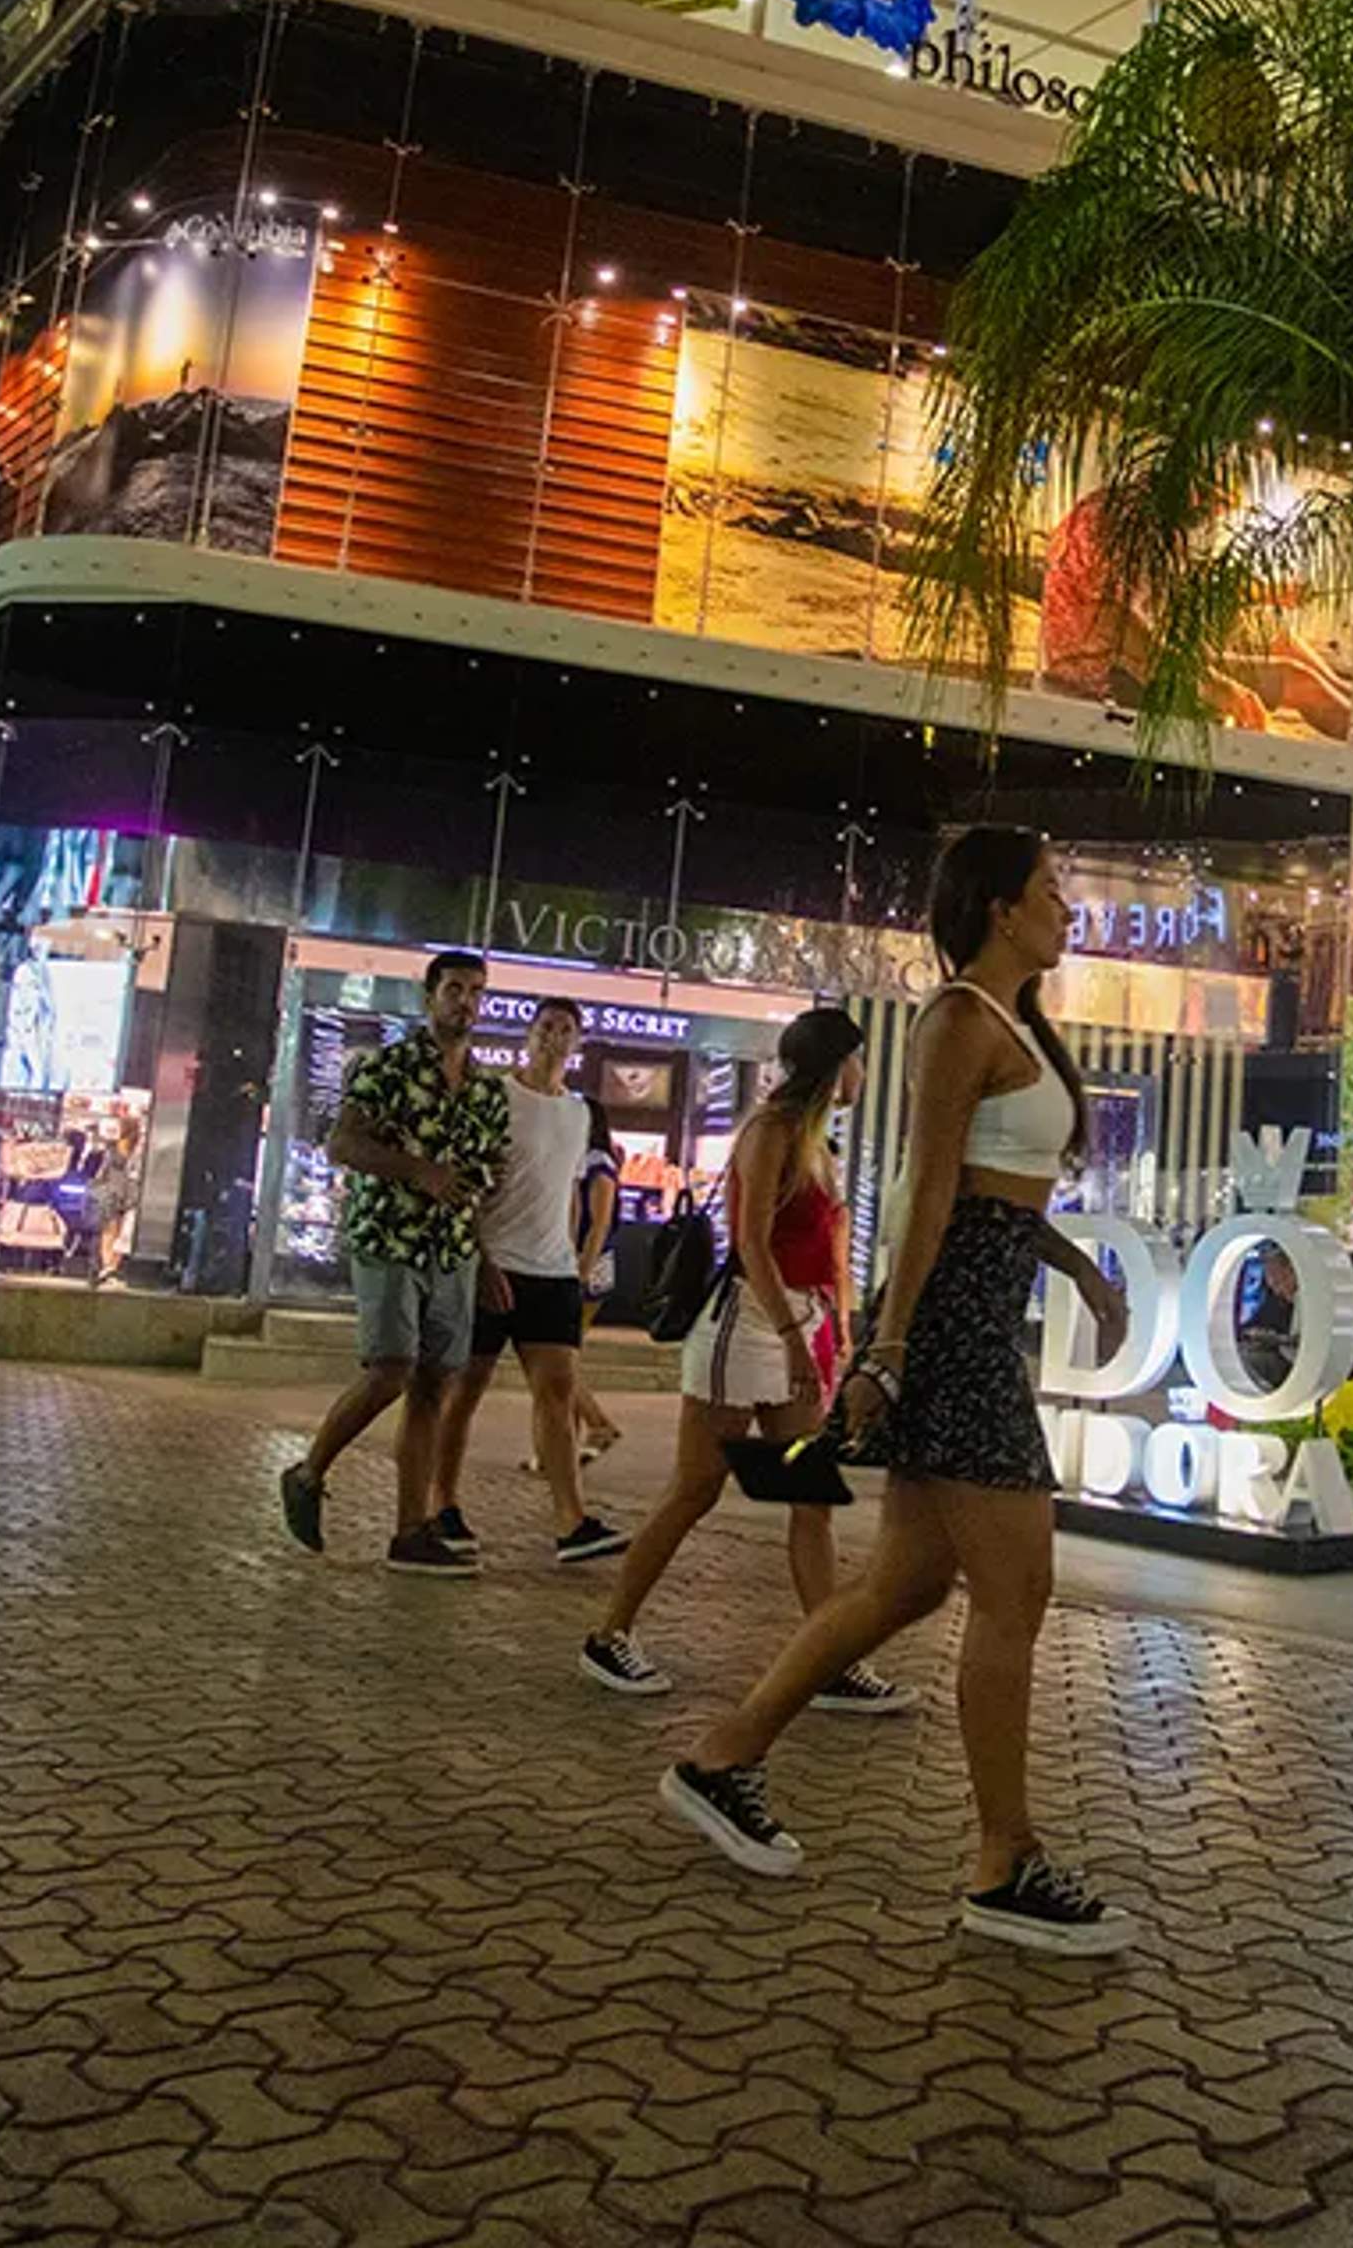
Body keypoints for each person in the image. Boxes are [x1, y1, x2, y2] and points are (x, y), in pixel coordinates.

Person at [660, 827, 1136, 1958]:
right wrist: (892, 1345)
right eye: (1052, 894)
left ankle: (723, 1758)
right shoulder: (958, 1021)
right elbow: (928, 1191)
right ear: (998, 907)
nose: (1069, 912)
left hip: (978, 1305)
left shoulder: (1016, 1023)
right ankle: (1003, 1857)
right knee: (1016, 1589)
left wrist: (1077, 1274)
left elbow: (1001, 1201)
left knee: (906, 1585)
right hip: (955, 1328)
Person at [583, 1005, 915, 1699]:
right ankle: (609, 1634)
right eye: (856, 1059)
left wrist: (833, 1329)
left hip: (796, 1324)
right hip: (747, 1329)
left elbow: (823, 1250)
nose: (862, 1074)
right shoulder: (771, 1131)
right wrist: (798, 1340)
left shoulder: (818, 1142)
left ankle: (826, 1660)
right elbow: (751, 1243)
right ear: (834, 1063)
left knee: (809, 1499)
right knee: (696, 1489)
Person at [278, 951, 511, 1575]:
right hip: (389, 1237)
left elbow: (480, 1185)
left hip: (453, 1250)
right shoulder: (388, 1068)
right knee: (391, 1369)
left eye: (476, 992)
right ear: (430, 995)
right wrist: (419, 1171)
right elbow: (343, 1142)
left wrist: (485, 1259)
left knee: (436, 1382)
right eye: (454, 989)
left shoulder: (488, 1091)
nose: (465, 1001)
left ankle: (412, 1528)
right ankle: (308, 1471)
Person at [443, 1001, 628, 1568]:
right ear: (528, 1035)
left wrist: (573, 1260)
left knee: (556, 1391)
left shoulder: (577, 1114)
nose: (554, 1037)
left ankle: (571, 1519)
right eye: (546, 1027)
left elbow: (573, 1193)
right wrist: (477, 1257)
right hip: (495, 1262)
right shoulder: (496, 1096)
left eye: (566, 1029)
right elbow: (466, 1180)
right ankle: (441, 1503)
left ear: (578, 1043)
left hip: (551, 1271)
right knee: (464, 1392)